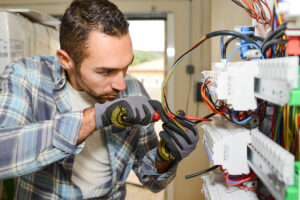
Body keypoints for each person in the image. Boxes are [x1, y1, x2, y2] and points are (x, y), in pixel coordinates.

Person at [0, 0, 199, 199]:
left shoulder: (134, 89)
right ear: (66, 60)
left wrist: (166, 155)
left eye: (126, 67)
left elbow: (152, 181)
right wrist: (96, 117)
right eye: (106, 71)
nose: (121, 85)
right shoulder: (26, 77)